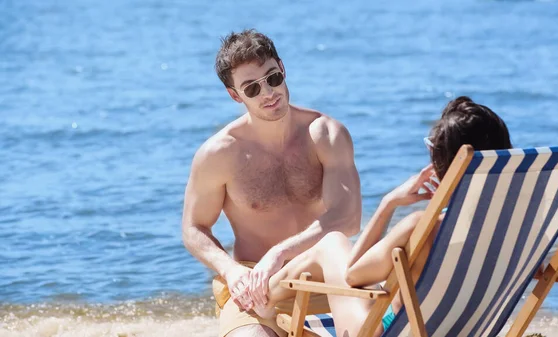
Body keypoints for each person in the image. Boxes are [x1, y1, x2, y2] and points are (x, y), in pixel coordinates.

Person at [253, 96, 514, 337]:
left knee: (332, 243)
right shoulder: (516, 228)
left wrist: (388, 204)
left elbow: (354, 277)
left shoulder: (422, 228)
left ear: (442, 162)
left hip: (383, 333)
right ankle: (265, 294)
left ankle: (261, 299)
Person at [181, 29, 362, 337]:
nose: (268, 92)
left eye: (273, 78)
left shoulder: (325, 134)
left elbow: (348, 219)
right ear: (235, 95)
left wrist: (279, 252)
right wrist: (231, 270)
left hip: (322, 276)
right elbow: (194, 228)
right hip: (257, 289)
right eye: (252, 88)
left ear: (282, 68)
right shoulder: (220, 153)